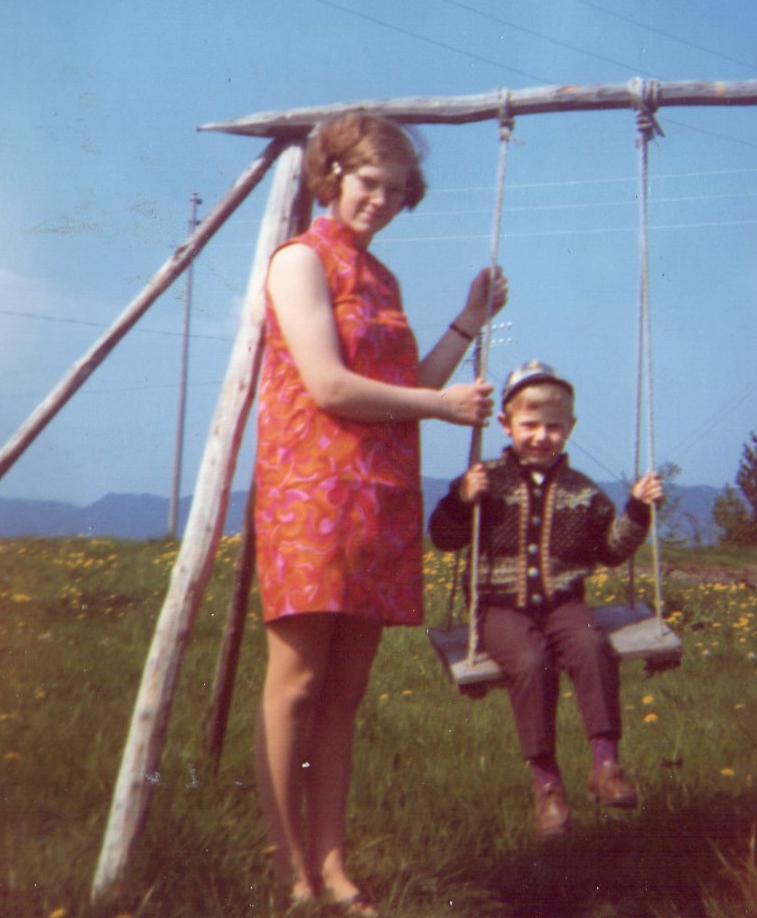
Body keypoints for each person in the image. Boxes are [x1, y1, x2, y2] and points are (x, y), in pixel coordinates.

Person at [254, 110, 507, 915]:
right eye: (370, 183)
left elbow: (407, 387)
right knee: (298, 683)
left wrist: (468, 323)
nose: (381, 201)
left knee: (345, 693)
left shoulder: (383, 278)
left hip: (380, 499)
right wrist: (440, 406)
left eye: (396, 191)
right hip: (312, 493)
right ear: (333, 175)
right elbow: (330, 386)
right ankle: (292, 872)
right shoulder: (299, 261)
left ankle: (333, 866)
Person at [428, 360, 663, 840]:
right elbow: (445, 539)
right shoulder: (485, 480)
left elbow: (611, 550)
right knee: (531, 661)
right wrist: (459, 499)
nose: (541, 436)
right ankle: (547, 785)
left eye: (553, 427)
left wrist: (638, 509)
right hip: (498, 608)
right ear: (506, 424)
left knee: (592, 647)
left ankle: (606, 765)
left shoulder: (583, 492)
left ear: (570, 428)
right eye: (530, 425)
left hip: (563, 603)